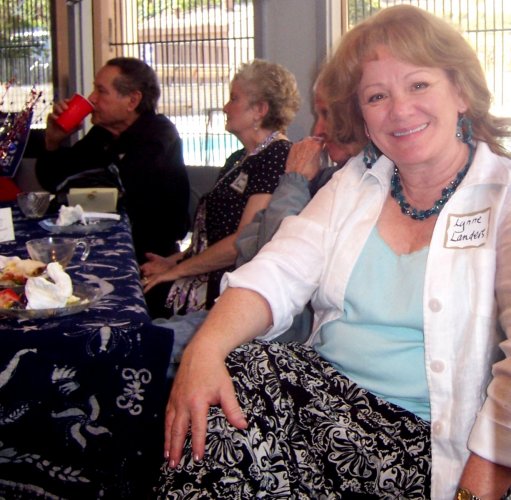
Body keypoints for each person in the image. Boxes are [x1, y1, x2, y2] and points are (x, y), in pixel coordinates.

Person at [156, 5, 511, 499]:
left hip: (431, 445)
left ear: (461, 91)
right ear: (362, 114)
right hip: (324, 408)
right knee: (231, 381)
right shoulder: (354, 184)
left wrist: (482, 480)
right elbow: (278, 270)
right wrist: (206, 348)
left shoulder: (504, 195)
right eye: (377, 96)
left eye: (418, 84)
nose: (399, 110)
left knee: (243, 385)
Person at [141, 59, 300, 318]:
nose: (226, 107)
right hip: (205, 275)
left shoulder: (276, 156)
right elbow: (212, 238)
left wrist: (176, 271)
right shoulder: (239, 158)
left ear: (260, 110)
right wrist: (172, 261)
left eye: (234, 99)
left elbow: (243, 242)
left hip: (227, 288)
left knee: (141, 301)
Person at [35, 57, 190, 263]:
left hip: (145, 258)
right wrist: (53, 141)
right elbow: (54, 181)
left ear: (132, 101)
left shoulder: (158, 136)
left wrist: (76, 187)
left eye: (101, 91)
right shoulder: (103, 134)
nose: (92, 98)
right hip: (96, 246)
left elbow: (119, 191)